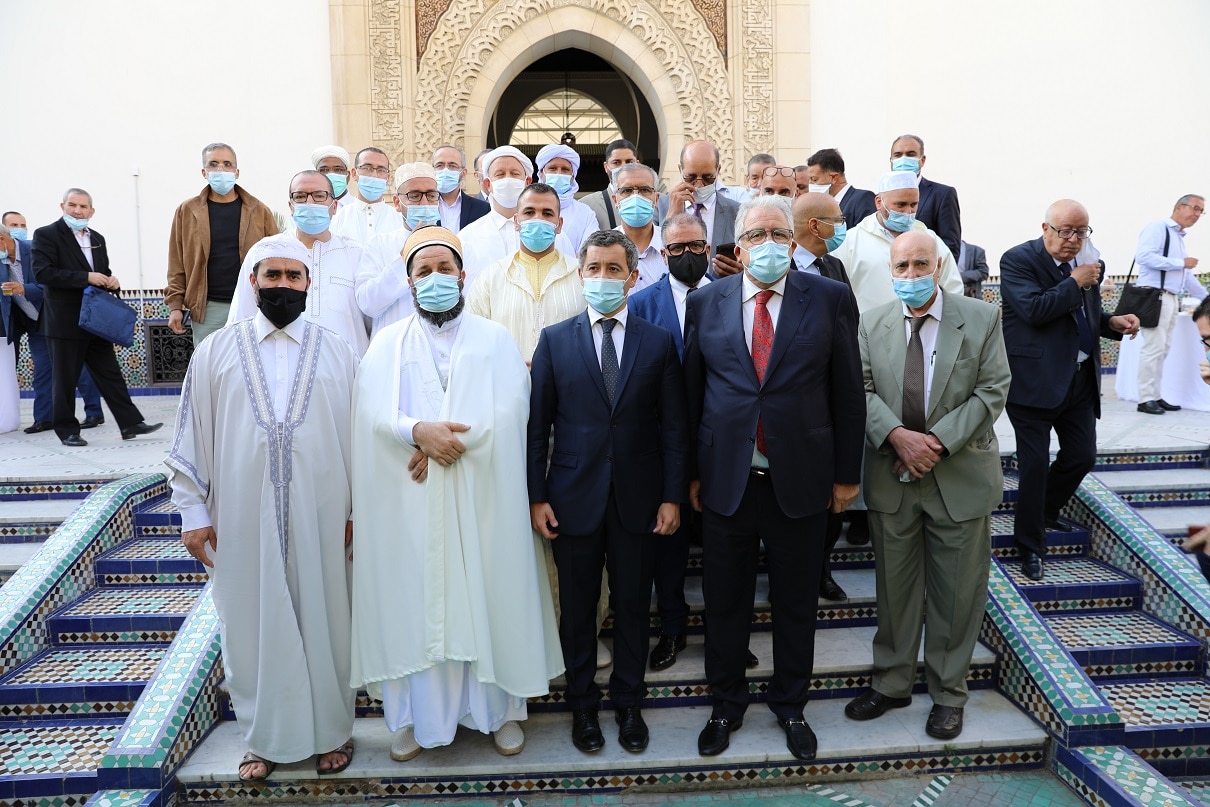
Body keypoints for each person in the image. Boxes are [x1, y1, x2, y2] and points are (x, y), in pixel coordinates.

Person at [350, 226, 562, 761]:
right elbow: (370, 412)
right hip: (411, 498)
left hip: (483, 494)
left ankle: (500, 713)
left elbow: (513, 412)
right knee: (413, 600)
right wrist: (415, 432)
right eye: (423, 271)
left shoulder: (495, 338)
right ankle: (413, 718)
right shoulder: (386, 343)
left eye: (444, 269)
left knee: (490, 592)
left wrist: (445, 442)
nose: (435, 278)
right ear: (409, 283)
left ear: (463, 275)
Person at [167, 237, 359, 782]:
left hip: (324, 513)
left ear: (308, 283)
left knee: (326, 619)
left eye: (293, 276)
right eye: (271, 275)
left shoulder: (338, 350)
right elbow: (190, 435)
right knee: (251, 623)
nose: (282, 285)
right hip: (239, 513)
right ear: (252, 282)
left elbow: (358, 438)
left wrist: (358, 512)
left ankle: (332, 732)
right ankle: (264, 738)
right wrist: (192, 513)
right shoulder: (215, 351)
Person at [684, 195, 865, 761]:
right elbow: (693, 393)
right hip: (727, 479)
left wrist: (846, 475)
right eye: (756, 235)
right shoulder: (705, 301)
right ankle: (726, 704)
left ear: (793, 242)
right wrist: (690, 473)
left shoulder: (829, 297)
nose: (768, 244)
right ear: (739, 248)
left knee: (795, 602)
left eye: (778, 234)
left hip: (802, 478)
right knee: (725, 601)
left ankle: (791, 704)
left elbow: (848, 391)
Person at [844, 231, 1010, 741]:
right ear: (890, 271)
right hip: (892, 475)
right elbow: (860, 390)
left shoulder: (981, 318)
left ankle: (948, 693)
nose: (912, 275)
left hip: (957, 476)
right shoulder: (871, 322)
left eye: (921, 265)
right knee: (894, 592)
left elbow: (992, 389)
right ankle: (891, 683)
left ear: (938, 267)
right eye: (902, 267)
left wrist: (934, 443)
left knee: (957, 595)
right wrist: (898, 437)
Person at [529, 228, 687, 754]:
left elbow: (673, 427)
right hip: (571, 498)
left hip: (639, 500)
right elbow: (538, 427)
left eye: (613, 269)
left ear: (632, 276)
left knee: (633, 606)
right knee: (577, 610)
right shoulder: (555, 340)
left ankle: (629, 702)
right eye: (593, 268)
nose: (603, 277)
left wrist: (671, 496)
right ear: (581, 274)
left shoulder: (657, 342)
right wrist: (536, 496)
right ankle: (582, 705)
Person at [1000, 199, 1140, 581]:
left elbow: (1084, 316)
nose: (1073, 240)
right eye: (1065, 231)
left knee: (1082, 456)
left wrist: (1113, 323)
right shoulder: (1018, 260)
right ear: (1045, 228)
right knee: (1033, 467)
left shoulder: (1088, 262)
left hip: (1079, 380)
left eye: (1081, 232)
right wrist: (1074, 281)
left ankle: (1046, 511)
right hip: (1034, 381)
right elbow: (1034, 311)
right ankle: (1030, 546)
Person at [628, 213, 710, 670]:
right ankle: (672, 628)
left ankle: (725, 634)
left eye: (695, 246)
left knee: (723, 547)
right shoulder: (640, 304)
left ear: (708, 248)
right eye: (676, 248)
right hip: (662, 446)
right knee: (668, 546)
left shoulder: (730, 295)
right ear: (663, 253)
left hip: (719, 444)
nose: (687, 255)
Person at [32, 188, 162, 447]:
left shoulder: (98, 238)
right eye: (72, 205)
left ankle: (131, 423)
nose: (77, 211)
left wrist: (112, 281)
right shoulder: (46, 234)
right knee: (65, 380)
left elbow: (102, 272)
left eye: (83, 206)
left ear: (91, 211)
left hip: (95, 320)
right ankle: (67, 431)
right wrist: (86, 277)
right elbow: (42, 273)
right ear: (62, 206)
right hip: (64, 321)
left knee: (110, 373)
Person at [790, 192, 856, 599]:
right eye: (839, 219)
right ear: (815, 226)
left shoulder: (834, 266)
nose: (843, 226)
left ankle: (821, 569)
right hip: (784, 404)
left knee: (827, 500)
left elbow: (850, 327)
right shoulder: (776, 265)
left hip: (825, 402)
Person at [228, 171, 370, 356]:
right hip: (280, 363)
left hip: (345, 365)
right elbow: (241, 315)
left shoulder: (356, 254)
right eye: (300, 196)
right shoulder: (265, 252)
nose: (310, 202)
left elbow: (371, 317)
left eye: (319, 196)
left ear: (334, 206)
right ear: (291, 206)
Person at [166, 143, 279, 347]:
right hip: (208, 309)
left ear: (237, 172)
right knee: (209, 363)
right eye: (213, 164)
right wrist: (175, 306)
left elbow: (277, 258)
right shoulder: (187, 211)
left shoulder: (258, 211)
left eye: (227, 164)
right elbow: (177, 262)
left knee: (252, 362)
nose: (221, 169)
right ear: (204, 172)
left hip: (252, 304)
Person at [0, 224, 103, 433]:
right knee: (42, 371)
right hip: (34, 323)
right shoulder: (2, 263)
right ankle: (44, 418)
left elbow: (55, 281)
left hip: (60, 318)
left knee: (76, 367)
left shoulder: (36, 248)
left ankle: (94, 412)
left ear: (1, 240)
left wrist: (24, 289)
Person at [465, 183, 584, 361]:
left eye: (547, 213)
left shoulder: (581, 276)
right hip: (507, 377)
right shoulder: (490, 278)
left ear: (559, 225)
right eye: (529, 212)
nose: (538, 219)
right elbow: (472, 339)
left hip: (567, 378)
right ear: (516, 222)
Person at [832, 171, 962, 314]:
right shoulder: (851, 242)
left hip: (924, 325)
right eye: (901, 205)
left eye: (914, 204)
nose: (908, 211)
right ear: (879, 202)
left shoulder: (930, 239)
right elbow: (835, 293)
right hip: (869, 326)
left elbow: (952, 288)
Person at [1132, 194, 1205, 415]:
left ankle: (1155, 396)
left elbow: (1186, 276)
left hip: (1171, 297)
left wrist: (1206, 298)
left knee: (1162, 349)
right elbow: (1143, 256)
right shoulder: (1158, 227)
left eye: (1201, 211)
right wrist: (1180, 262)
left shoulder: (1178, 237)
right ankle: (1145, 399)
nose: (1197, 214)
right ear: (1179, 207)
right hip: (1155, 296)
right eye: (1195, 208)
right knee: (1153, 348)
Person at [458, 146, 574, 284]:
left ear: (527, 182)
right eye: (500, 174)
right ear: (488, 184)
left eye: (514, 174)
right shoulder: (468, 237)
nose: (508, 180)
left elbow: (570, 282)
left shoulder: (553, 234)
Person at [356, 163, 445, 338]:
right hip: (393, 346)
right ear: (397, 202)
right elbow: (367, 304)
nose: (424, 202)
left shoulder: (457, 245)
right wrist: (405, 258)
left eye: (431, 195)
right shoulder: (379, 245)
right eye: (415, 196)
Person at [657, 140, 743, 279]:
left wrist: (740, 271)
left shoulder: (737, 212)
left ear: (718, 170)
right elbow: (654, 256)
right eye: (691, 177)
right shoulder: (661, 206)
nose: (699, 184)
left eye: (707, 178)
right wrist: (672, 216)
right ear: (680, 170)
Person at [889, 135, 961, 260]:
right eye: (898, 155)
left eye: (910, 154)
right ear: (891, 160)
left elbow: (950, 248)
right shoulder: (883, 196)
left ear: (922, 160)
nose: (903, 159)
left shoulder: (942, 194)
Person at [330, 147, 404, 245]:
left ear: (388, 177)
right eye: (367, 168)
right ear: (354, 174)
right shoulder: (338, 218)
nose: (374, 175)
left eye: (381, 170)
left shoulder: (400, 220)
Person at [536, 143, 600, 252]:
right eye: (553, 168)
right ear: (541, 173)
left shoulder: (585, 213)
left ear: (573, 176)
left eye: (565, 169)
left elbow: (590, 253)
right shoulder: (527, 209)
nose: (559, 173)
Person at [613, 164, 665, 291]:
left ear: (656, 199)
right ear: (615, 201)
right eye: (627, 190)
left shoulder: (673, 246)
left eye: (644, 190)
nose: (636, 197)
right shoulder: (603, 249)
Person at [805, 148, 876, 228]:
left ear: (834, 178)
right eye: (809, 180)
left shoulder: (862, 199)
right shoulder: (820, 206)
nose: (810, 184)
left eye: (814, 179)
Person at [582, 139, 639, 231]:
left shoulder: (654, 203)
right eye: (616, 162)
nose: (623, 167)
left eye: (629, 162)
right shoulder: (587, 205)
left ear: (638, 165)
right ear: (606, 167)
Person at [432, 144, 490, 233]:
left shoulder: (483, 209)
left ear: (463, 173)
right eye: (440, 165)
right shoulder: (424, 208)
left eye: (452, 166)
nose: (445, 170)